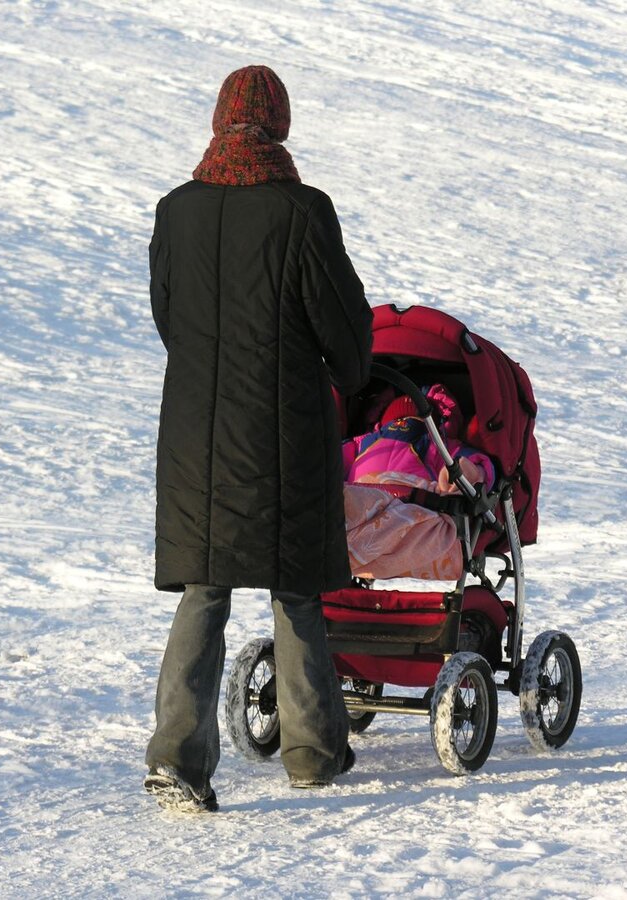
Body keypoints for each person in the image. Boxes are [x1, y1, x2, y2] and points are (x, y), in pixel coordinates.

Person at [144, 65, 373, 813]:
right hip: (284, 431)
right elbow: (344, 331)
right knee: (296, 590)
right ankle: (309, 751)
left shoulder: (176, 210)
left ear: (218, 121)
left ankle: (177, 755)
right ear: (279, 123)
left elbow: (169, 317)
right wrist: (350, 371)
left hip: (192, 437)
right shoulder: (302, 210)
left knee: (205, 590)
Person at [342, 384, 496, 580]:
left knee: (344, 503)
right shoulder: (363, 441)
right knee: (339, 500)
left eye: (409, 418)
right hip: (366, 497)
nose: (403, 423)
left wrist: (467, 473)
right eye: (398, 420)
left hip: (410, 503)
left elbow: (474, 462)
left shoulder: (437, 443)